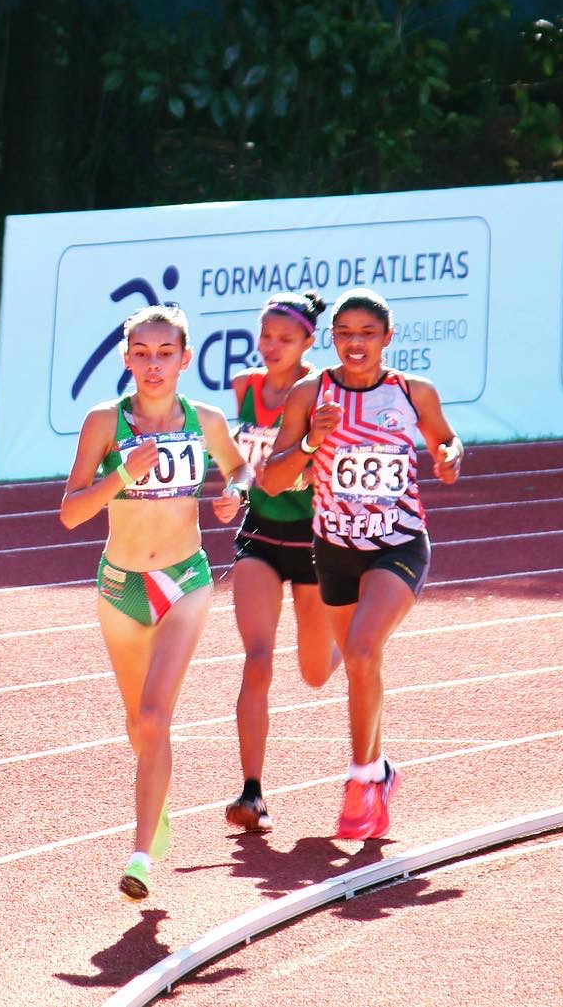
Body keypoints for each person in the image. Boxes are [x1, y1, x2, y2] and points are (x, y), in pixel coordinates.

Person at [60, 305, 251, 901]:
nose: (152, 363)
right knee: (137, 723)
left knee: (153, 715)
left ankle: (141, 855)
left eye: (164, 352)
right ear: (126, 359)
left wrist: (234, 494)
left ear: (185, 359)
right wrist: (121, 473)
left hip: (184, 581)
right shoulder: (104, 422)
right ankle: (158, 805)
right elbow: (71, 513)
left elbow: (240, 470)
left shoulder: (207, 419)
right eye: (140, 352)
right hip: (120, 586)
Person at [260, 287, 464, 840]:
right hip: (334, 549)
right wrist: (309, 444)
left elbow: (447, 444)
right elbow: (272, 480)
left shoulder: (412, 392)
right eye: (345, 333)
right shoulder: (310, 393)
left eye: (367, 334)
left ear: (387, 339)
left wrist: (449, 458)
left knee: (362, 649)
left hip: (398, 543)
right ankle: (379, 774)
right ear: (333, 339)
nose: (355, 342)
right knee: (357, 664)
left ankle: (358, 781)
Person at [223, 291, 340, 835]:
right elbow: (242, 463)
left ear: (308, 344)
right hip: (261, 537)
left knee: (315, 673)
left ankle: (360, 640)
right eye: (266, 336)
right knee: (258, 659)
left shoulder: (322, 392)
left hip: (313, 541)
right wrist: (233, 489)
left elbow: (330, 467)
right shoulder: (246, 386)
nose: (271, 347)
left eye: (285, 340)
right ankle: (252, 792)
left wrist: (308, 466)